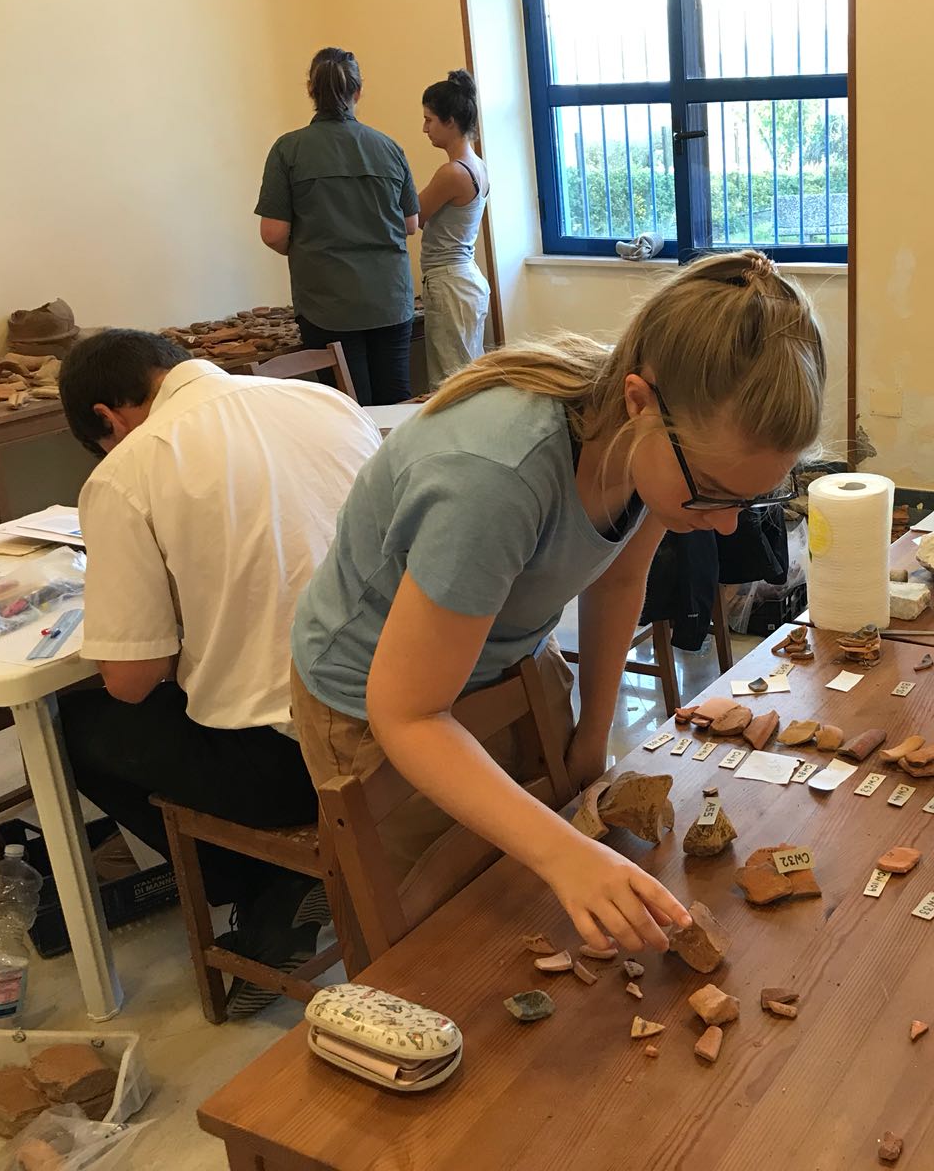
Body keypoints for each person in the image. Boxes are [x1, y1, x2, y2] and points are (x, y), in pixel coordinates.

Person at [290, 250, 826, 954]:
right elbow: (409, 713)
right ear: (640, 402)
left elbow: (616, 578)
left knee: (528, 893)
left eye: (748, 498)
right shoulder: (493, 476)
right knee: (436, 944)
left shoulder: (654, 433)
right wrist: (563, 856)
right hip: (372, 703)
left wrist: (592, 734)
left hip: (504, 658)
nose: (726, 524)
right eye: (714, 494)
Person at [58, 329, 380, 1017]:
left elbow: (132, 679)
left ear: (105, 420)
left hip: (301, 762)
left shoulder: (127, 469)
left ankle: (264, 885)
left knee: (84, 727)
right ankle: (274, 888)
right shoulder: (321, 402)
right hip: (410, 712)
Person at [256, 47, 420, 407]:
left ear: (310, 91)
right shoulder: (389, 148)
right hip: (389, 297)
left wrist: (307, 247)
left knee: (347, 410)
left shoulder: (288, 150)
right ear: (358, 91)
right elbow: (411, 224)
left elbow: (273, 232)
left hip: (326, 301)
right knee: (396, 405)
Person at [417, 69, 492, 387]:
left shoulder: (453, 172)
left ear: (450, 121)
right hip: (463, 280)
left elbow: (414, 216)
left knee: (451, 385)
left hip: (449, 282)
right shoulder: (478, 166)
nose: (424, 129)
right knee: (465, 376)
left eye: (429, 119)